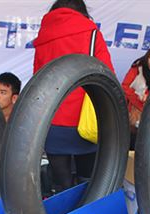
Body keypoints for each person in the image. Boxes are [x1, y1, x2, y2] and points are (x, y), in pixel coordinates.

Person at [33, 0, 114, 193]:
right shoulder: (92, 33)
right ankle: (85, 212)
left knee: (61, 185)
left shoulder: (43, 37)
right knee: (89, 183)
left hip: (51, 117)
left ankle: (62, 211)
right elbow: (107, 74)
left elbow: (38, 77)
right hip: (84, 121)